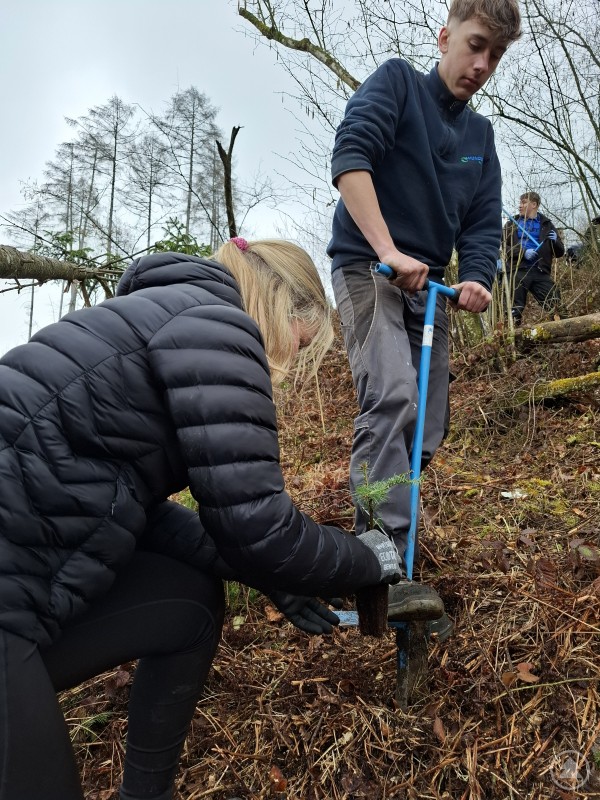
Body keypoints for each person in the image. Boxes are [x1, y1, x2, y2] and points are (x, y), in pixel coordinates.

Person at [0, 238, 401, 800]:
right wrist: (367, 560)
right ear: (284, 307)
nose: (284, 367)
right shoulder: (219, 326)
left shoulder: (158, 317)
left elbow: (139, 515)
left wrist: (276, 578)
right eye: (298, 342)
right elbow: (259, 527)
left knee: (186, 600)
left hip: (22, 574)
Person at [327, 0, 522, 634]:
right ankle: (376, 560)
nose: (481, 63)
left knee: (425, 426)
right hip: (368, 270)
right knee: (392, 395)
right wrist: (387, 249)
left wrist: (477, 277)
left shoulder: (480, 139)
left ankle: (394, 565)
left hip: (427, 291)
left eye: (494, 54)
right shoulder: (396, 86)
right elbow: (350, 161)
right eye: (474, 45)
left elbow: (483, 223)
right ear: (445, 36)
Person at [503, 191, 566, 323]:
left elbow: (560, 252)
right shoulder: (511, 224)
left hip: (540, 270)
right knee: (513, 310)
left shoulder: (547, 225)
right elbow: (503, 248)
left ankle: (565, 335)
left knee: (556, 306)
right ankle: (513, 340)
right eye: (520, 202)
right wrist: (522, 252)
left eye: (524, 202)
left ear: (534, 204)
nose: (520, 206)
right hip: (517, 271)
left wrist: (555, 242)